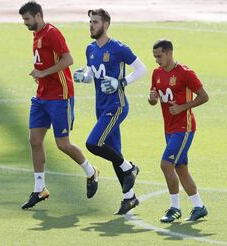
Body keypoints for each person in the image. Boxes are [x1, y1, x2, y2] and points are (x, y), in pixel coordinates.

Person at [19, 1, 98, 209]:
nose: (25, 23)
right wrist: (39, 75)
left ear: (37, 15)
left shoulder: (52, 33)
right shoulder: (36, 34)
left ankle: (91, 171)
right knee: (35, 140)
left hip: (60, 96)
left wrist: (43, 73)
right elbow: (44, 60)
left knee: (62, 144)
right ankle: (40, 189)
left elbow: (68, 59)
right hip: (41, 96)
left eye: (27, 19)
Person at [73, 8, 146, 215]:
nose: (91, 25)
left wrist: (121, 82)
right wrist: (83, 77)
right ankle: (129, 198)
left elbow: (141, 69)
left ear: (105, 25)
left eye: (95, 22)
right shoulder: (90, 49)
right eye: (90, 22)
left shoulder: (118, 48)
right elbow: (91, 73)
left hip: (116, 105)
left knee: (93, 143)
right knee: (115, 154)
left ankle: (130, 168)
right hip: (101, 107)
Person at [148, 39, 209, 223]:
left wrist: (183, 107)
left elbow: (204, 96)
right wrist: (151, 98)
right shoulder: (156, 73)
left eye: (159, 56)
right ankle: (199, 207)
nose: (157, 60)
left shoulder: (184, 73)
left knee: (166, 164)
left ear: (169, 53)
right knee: (181, 168)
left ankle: (175, 208)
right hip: (169, 127)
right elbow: (154, 100)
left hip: (184, 127)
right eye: (155, 57)